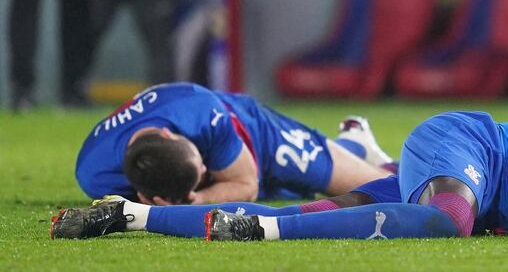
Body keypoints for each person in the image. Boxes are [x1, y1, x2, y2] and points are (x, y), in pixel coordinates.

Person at [54, 111, 508, 240]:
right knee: (448, 219)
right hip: (468, 145)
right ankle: (259, 230)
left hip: (480, 184)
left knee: (327, 207)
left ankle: (132, 215)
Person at [74, 82, 395, 206]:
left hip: (256, 137)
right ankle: (352, 143)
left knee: (381, 190)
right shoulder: (94, 176)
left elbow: (245, 182)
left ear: (170, 134)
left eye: (202, 166)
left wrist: (197, 200)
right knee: (292, 190)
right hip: (223, 152)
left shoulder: (200, 112)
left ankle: (357, 145)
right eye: (201, 174)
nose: (205, 171)